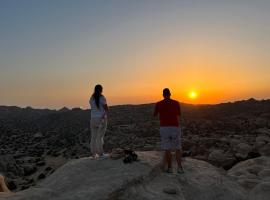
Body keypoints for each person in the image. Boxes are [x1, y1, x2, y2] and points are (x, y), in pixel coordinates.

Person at [154, 88, 184, 174]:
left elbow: (155, 115)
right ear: (170, 94)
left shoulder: (159, 104)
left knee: (167, 148)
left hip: (164, 127)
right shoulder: (176, 103)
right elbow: (179, 114)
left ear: (163, 95)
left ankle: (170, 168)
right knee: (177, 147)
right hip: (175, 126)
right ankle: (179, 168)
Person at [89, 84, 109, 159]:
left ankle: (93, 154)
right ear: (101, 90)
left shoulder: (91, 98)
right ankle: (101, 153)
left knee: (93, 137)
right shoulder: (102, 98)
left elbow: (93, 107)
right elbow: (106, 109)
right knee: (100, 137)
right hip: (101, 119)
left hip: (93, 119)